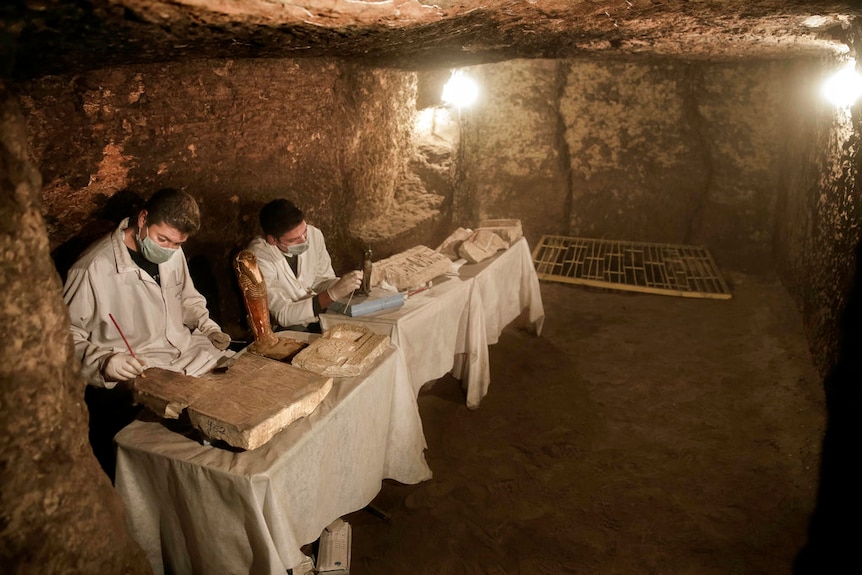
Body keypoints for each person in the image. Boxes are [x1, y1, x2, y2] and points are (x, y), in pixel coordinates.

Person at [64, 188, 232, 479]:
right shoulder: (92, 268)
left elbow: (187, 298)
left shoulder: (173, 253)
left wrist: (206, 325)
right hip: (142, 372)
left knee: (239, 395)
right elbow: (64, 337)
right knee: (196, 451)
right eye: (162, 239)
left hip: (189, 354)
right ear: (142, 219)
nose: (167, 249)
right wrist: (103, 362)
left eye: (177, 243)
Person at [247, 198, 362, 332]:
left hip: (316, 315)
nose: (304, 241)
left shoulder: (314, 235)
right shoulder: (258, 257)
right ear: (272, 240)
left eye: (304, 232)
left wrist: (345, 285)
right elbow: (282, 315)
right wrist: (332, 294)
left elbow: (320, 280)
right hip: (285, 326)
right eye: (293, 240)